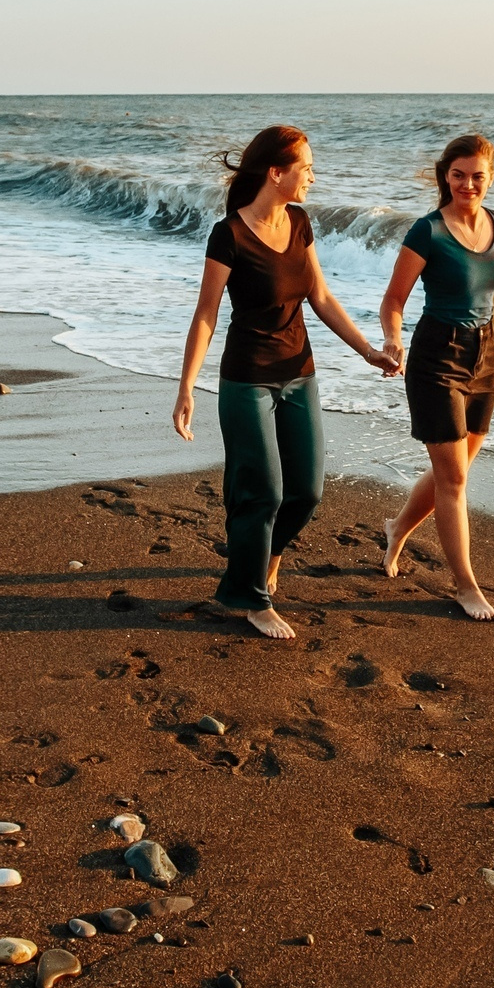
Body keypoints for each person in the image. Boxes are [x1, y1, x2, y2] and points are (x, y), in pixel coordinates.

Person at [173, 126, 397, 638]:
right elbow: (206, 315)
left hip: (300, 372)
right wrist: (187, 387)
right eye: (306, 169)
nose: (313, 178)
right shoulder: (227, 234)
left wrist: (368, 350)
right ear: (276, 173)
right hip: (247, 378)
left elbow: (319, 294)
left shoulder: (299, 221)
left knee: (308, 490)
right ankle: (254, 599)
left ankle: (262, 562)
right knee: (263, 492)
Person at [379, 134, 494, 620]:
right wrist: (394, 341)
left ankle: (397, 529)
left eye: (477, 176)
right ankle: (465, 585)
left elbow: (492, 290)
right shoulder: (427, 231)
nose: (467, 184)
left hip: (485, 355)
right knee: (453, 477)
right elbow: (394, 300)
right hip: (437, 356)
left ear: (490, 177)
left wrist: (493, 345)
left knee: (455, 469)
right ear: (444, 176)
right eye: (458, 175)